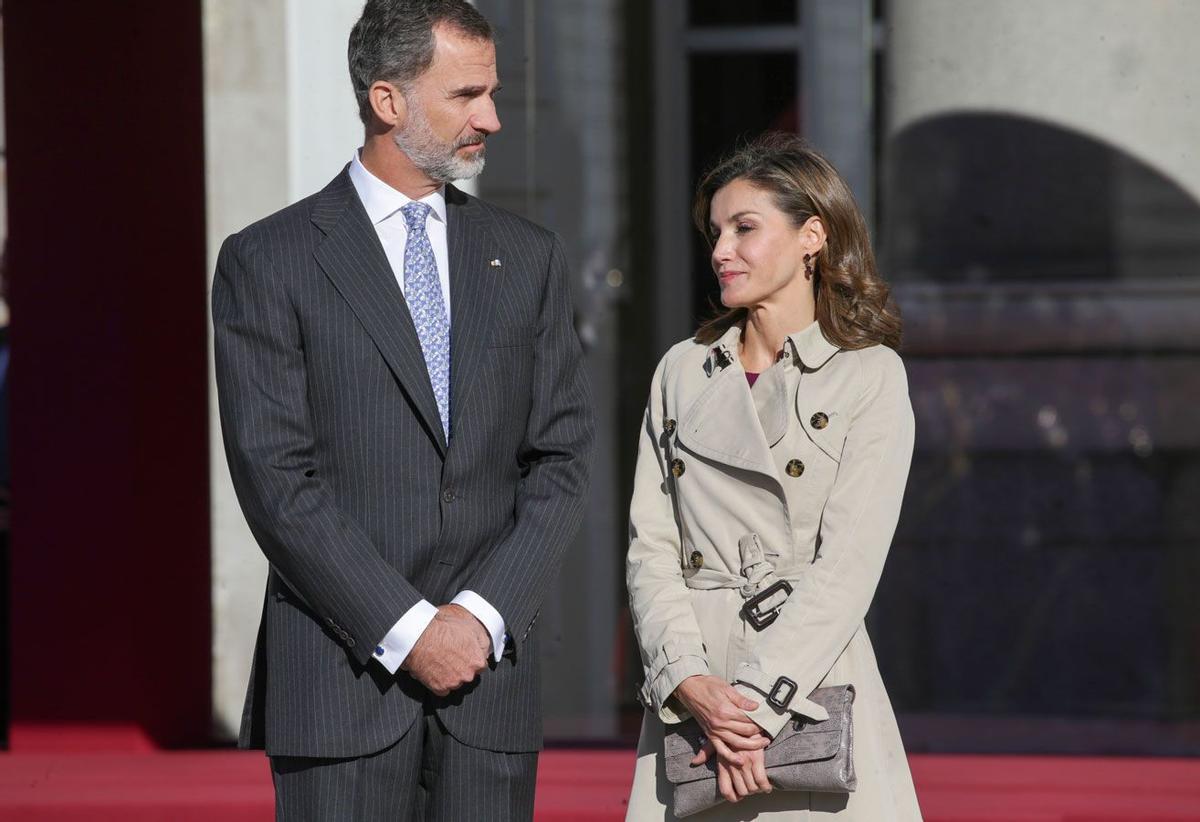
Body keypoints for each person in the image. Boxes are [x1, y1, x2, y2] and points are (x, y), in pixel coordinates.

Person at [212, 1, 594, 818]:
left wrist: (479, 616)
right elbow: (276, 479)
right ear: (389, 101)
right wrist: (409, 628)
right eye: (465, 95)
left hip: (489, 693)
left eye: (492, 92)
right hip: (341, 686)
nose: (490, 117)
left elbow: (561, 462)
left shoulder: (528, 258)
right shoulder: (267, 260)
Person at [624, 134, 922, 820]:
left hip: (808, 683)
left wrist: (756, 710)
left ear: (812, 236)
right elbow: (651, 547)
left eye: (745, 229)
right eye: (716, 232)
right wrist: (687, 680)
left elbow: (850, 562)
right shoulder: (681, 370)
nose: (721, 250)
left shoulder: (868, 374)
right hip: (692, 694)